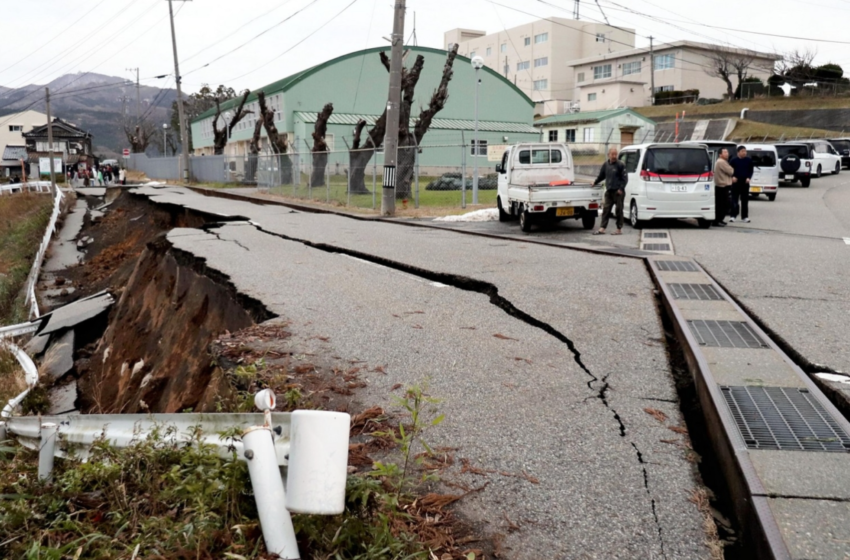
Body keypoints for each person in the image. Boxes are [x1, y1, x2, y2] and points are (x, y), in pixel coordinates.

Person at [592, 147, 628, 235]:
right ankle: (602, 228)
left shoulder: (620, 165)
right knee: (606, 210)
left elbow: (625, 179)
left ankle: (619, 229)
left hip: (618, 192)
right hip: (609, 191)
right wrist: (595, 182)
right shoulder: (606, 165)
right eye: (612, 154)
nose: (614, 156)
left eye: (616, 154)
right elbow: (601, 176)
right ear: (609, 155)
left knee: (619, 210)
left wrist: (621, 189)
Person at [729, 145, 754, 223]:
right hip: (736, 182)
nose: (744, 153)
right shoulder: (733, 160)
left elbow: (751, 170)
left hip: (745, 183)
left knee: (745, 200)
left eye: (745, 151)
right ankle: (733, 216)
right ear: (738, 152)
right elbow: (729, 170)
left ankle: (745, 216)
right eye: (742, 151)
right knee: (734, 200)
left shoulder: (749, 160)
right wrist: (732, 177)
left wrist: (749, 177)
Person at [713, 148, 734, 227]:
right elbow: (731, 171)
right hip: (722, 186)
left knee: (722, 204)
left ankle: (719, 219)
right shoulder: (721, 162)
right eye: (725, 152)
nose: (727, 153)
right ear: (720, 154)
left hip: (722, 186)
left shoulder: (722, 161)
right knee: (722, 205)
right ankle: (717, 220)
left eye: (727, 152)